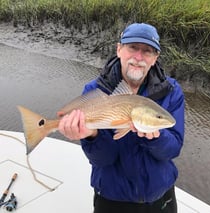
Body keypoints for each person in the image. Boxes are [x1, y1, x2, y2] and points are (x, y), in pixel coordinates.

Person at [58, 23, 185, 213]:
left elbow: (173, 149)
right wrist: (92, 135)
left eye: (147, 51)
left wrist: (157, 138)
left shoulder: (172, 91)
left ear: (155, 58)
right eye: (133, 47)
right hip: (112, 198)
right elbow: (102, 161)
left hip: (161, 195)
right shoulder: (94, 91)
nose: (138, 57)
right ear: (119, 49)